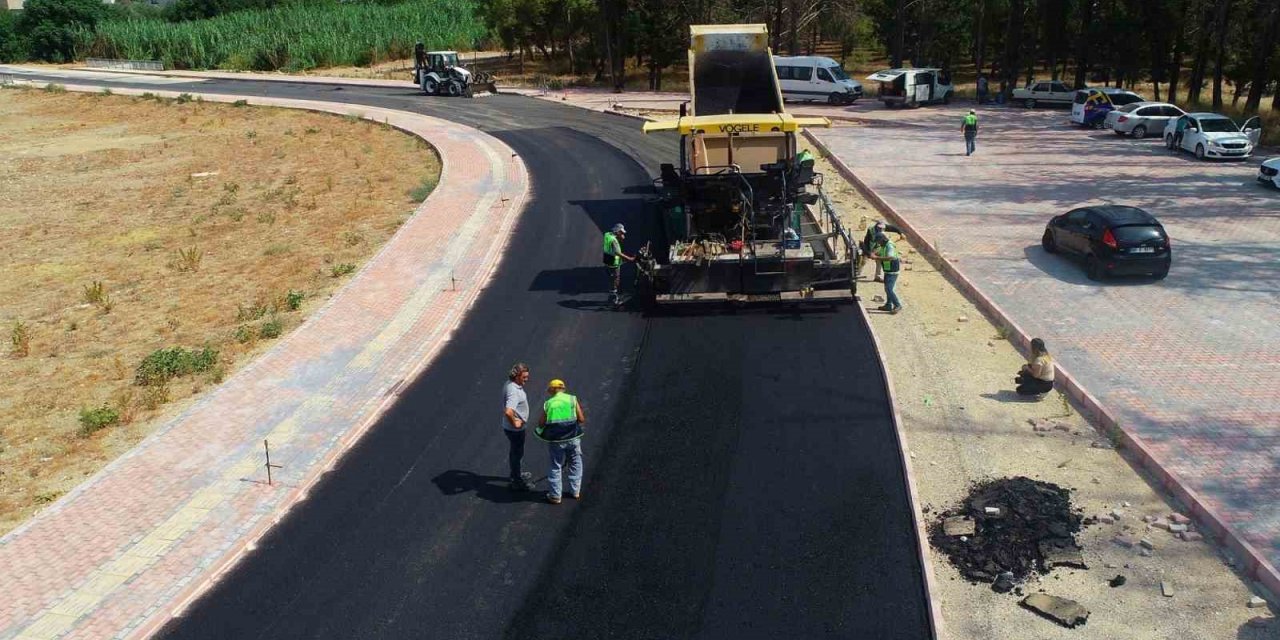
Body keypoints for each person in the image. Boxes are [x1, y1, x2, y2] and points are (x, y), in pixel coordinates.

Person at [535, 379, 586, 504]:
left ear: (552, 390)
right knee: (575, 463)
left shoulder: (549, 403)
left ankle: (555, 496)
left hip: (556, 441)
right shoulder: (572, 399)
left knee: (555, 465)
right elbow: (581, 419)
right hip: (573, 438)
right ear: (563, 388)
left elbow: (541, 423)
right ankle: (575, 491)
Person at [502, 363, 534, 491]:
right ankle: (516, 481)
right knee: (517, 453)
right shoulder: (514, 391)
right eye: (524, 377)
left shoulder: (510, 384)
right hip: (515, 430)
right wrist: (516, 423)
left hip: (511, 428)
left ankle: (516, 474)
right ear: (516, 376)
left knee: (515, 452)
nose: (527, 379)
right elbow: (508, 411)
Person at [603, 223, 635, 307]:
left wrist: (619, 237)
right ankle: (614, 300)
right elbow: (617, 252)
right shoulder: (614, 241)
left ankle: (614, 294)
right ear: (617, 232)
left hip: (607, 260)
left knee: (612, 278)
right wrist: (629, 259)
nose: (623, 234)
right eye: (621, 232)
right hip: (613, 263)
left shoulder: (607, 235)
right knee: (615, 280)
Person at [872, 231, 903, 314]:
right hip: (887, 270)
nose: (878, 243)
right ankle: (888, 305)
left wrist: (877, 257)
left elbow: (890, 257)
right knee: (887, 288)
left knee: (889, 289)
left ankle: (897, 305)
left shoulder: (889, 246)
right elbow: (879, 252)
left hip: (892, 271)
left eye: (878, 241)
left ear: (882, 240)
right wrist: (874, 254)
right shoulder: (883, 246)